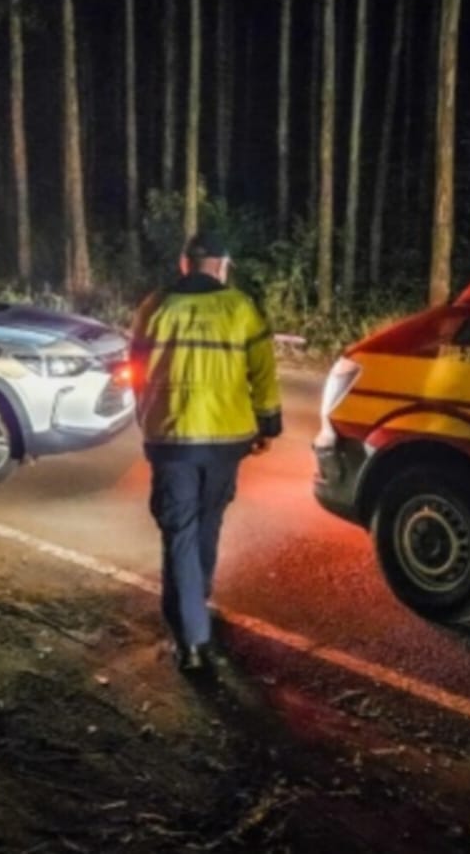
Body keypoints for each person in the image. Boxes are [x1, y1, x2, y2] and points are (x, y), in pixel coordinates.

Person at [129, 232, 282, 673]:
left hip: (172, 438)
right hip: (226, 439)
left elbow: (137, 371)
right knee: (208, 521)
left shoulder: (154, 307)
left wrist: (147, 417)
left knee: (179, 531)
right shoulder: (239, 308)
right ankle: (198, 609)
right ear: (222, 266)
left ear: (185, 264)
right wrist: (267, 423)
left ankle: (191, 637)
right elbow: (263, 372)